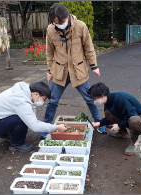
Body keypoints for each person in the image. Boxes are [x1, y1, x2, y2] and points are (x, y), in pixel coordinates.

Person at [39, 3, 105, 139]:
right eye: (56, 23)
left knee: (90, 99)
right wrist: (49, 70)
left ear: (67, 16)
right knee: (52, 101)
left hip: (78, 71)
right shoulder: (51, 30)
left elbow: (89, 47)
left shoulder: (80, 26)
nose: (60, 25)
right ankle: (46, 126)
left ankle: (99, 123)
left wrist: (94, 66)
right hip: (59, 71)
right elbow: (49, 52)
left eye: (61, 22)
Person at [0, 81, 67, 152]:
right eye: (44, 99)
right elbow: (35, 126)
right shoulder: (21, 101)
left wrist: (33, 108)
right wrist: (57, 127)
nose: (43, 102)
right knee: (21, 119)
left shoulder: (24, 88)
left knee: (23, 115)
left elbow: (30, 101)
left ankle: (6, 133)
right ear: (36, 94)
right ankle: (17, 144)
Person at [88, 82, 141, 156]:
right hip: (130, 119)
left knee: (134, 120)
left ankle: (136, 142)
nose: (94, 101)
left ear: (102, 96)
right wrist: (99, 123)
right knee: (108, 113)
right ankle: (123, 133)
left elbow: (132, 115)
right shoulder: (107, 102)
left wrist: (119, 125)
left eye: (95, 99)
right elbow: (108, 118)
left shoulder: (120, 98)